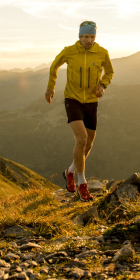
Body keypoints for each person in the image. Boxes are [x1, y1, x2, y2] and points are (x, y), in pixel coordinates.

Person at [45, 20, 114, 202]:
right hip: (72, 99)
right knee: (81, 139)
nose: (89, 40)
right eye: (85, 36)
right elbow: (54, 66)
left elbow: (109, 72)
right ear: (79, 36)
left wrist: (103, 86)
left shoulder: (102, 53)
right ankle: (82, 185)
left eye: (92, 37)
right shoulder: (69, 51)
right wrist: (51, 88)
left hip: (91, 102)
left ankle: (70, 171)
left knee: (88, 144)